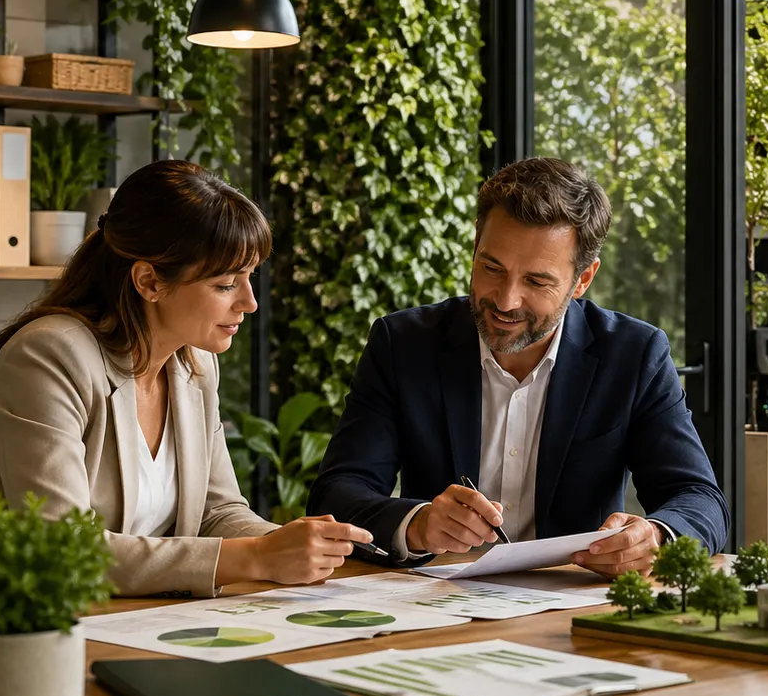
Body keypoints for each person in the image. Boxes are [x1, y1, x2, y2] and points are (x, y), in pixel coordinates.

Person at [0, 160, 371, 597]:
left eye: (249, 278)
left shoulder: (195, 364)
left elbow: (217, 511)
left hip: (128, 618)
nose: (249, 302)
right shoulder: (50, 356)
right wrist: (256, 557)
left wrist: (288, 543)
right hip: (0, 628)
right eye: (225, 284)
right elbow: (61, 546)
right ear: (149, 281)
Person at [308, 156, 728, 576]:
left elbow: (700, 498)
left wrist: (654, 535)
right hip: (436, 599)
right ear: (475, 246)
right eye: (492, 267)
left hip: (571, 603)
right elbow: (336, 494)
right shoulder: (403, 344)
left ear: (582, 280)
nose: (505, 300)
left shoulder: (635, 355)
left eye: (536, 281)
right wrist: (417, 525)